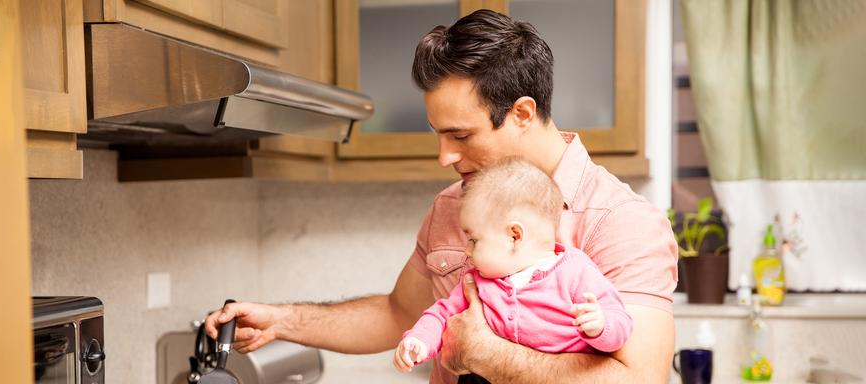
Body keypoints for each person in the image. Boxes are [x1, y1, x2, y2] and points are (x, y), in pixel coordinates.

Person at [205, 9, 678, 383]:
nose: (444, 157)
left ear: (521, 113)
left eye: (461, 135)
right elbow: (399, 314)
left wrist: (488, 355)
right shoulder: (454, 205)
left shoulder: (620, 223)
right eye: (438, 134)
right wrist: (281, 321)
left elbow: (639, 378)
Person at [393, 160, 633, 381]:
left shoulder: (576, 272)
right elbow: (442, 314)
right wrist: (420, 341)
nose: (467, 251)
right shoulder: (477, 281)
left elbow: (620, 323)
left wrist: (600, 326)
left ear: (514, 236)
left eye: (474, 240)